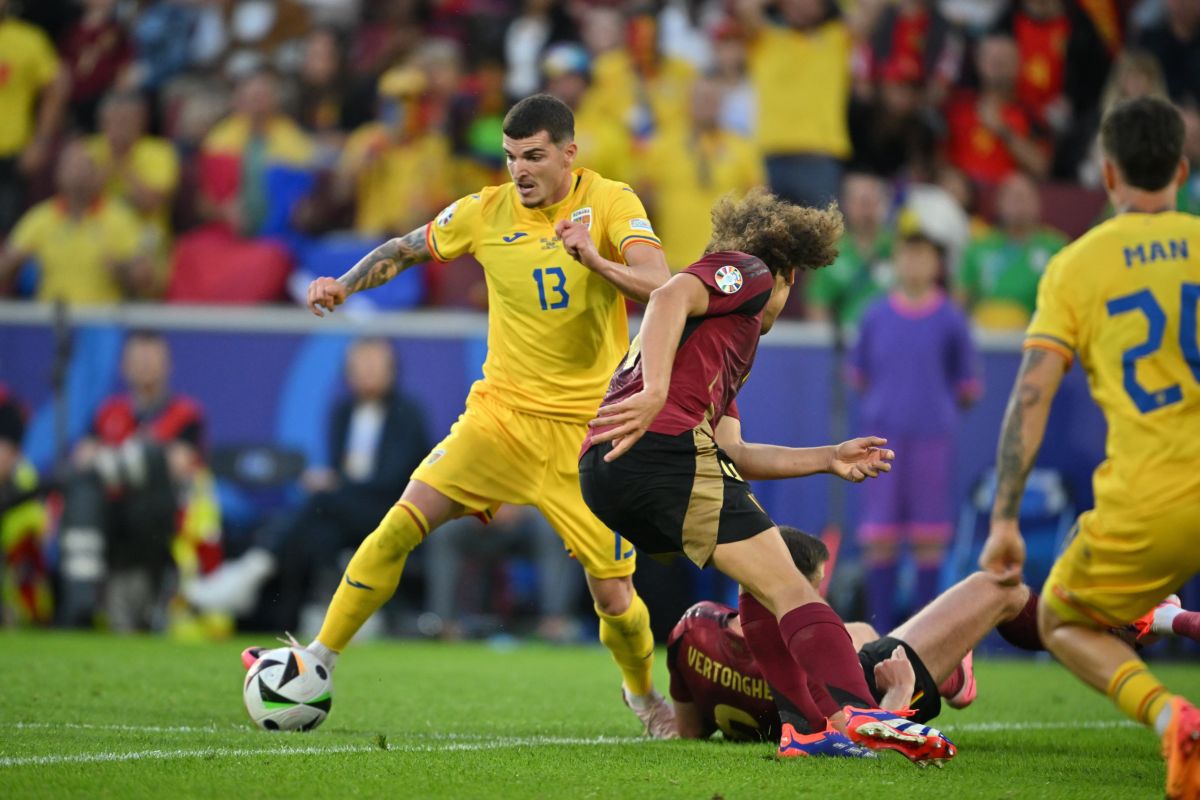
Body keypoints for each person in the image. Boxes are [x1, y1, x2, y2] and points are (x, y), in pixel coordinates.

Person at [256, 94, 676, 737]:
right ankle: (318, 659)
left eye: (534, 156)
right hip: (499, 418)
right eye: (511, 158)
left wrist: (593, 257)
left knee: (614, 599)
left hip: (587, 433)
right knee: (399, 525)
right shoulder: (484, 211)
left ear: (569, 153)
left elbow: (662, 283)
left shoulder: (613, 202)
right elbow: (407, 247)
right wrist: (344, 282)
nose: (521, 170)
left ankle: (643, 695)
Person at [578, 188, 954, 763]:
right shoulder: (748, 270)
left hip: (608, 470)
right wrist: (655, 393)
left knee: (765, 581)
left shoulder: (720, 348)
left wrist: (827, 456)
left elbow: (735, 454)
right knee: (793, 588)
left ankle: (803, 729)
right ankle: (857, 711)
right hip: (659, 448)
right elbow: (668, 295)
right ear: (788, 274)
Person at [976, 96, 1200, 800]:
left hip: (1152, 496)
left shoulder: (1076, 265)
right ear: (1183, 169)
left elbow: (1032, 396)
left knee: (1061, 617)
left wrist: (1005, 515)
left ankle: (1170, 716)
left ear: (1107, 174)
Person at [668, 526, 1200, 741]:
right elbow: (845, 739)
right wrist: (899, 696)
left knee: (853, 633)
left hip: (858, 667)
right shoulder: (809, 655)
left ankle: (950, 673)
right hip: (883, 688)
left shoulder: (693, 632)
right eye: (812, 592)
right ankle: (1142, 623)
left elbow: (688, 732)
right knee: (1001, 590)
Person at [185, 337, 430, 631]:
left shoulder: (409, 415)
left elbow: (392, 480)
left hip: (394, 510)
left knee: (320, 503)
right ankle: (331, 613)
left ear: (392, 370)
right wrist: (336, 485)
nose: (367, 372)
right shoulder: (342, 412)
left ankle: (252, 573)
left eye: (375, 365)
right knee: (318, 527)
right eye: (359, 366)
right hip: (346, 511)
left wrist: (337, 485)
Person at [849, 228, 980, 632]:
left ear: (937, 265)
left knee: (929, 538)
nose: (915, 264)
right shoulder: (874, 314)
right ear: (897, 261)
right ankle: (879, 631)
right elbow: (859, 376)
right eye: (908, 255)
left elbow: (968, 387)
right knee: (880, 537)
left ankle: (924, 635)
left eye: (924, 257)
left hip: (931, 440)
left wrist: (933, 411)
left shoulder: (951, 319)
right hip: (882, 440)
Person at [0, 141, 149, 303]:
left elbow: (146, 277)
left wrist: (122, 270)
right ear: (57, 174)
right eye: (71, 166)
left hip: (102, 320)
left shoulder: (119, 217)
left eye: (83, 166)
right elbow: (5, 265)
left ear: (94, 175)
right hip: (48, 320)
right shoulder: (40, 218)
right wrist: (15, 265)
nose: (77, 173)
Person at [956, 171, 1067, 330]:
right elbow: (959, 302)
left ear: (1037, 202)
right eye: (1012, 197)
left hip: (1037, 336)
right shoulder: (977, 247)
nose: (1018, 202)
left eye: (1024, 196)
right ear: (998, 204)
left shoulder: (1056, 247)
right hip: (985, 338)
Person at [0, 0, 70, 232]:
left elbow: (55, 89)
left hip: (10, 154)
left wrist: (41, 141)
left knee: (7, 233)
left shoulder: (29, 39)